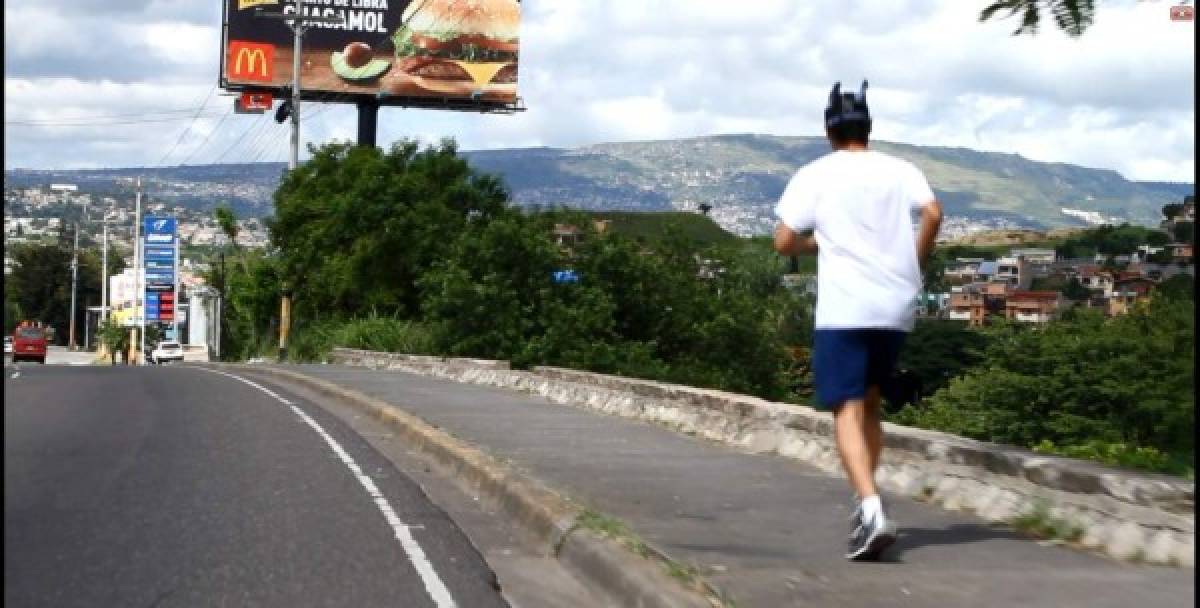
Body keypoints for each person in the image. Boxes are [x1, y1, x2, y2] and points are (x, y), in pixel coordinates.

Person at [773, 80, 943, 561]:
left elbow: (784, 241)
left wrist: (814, 245)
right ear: (868, 127)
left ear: (829, 131)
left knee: (845, 407)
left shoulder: (815, 173)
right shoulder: (901, 169)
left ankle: (871, 510)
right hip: (895, 304)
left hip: (846, 307)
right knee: (869, 403)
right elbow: (933, 213)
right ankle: (867, 496)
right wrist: (916, 262)